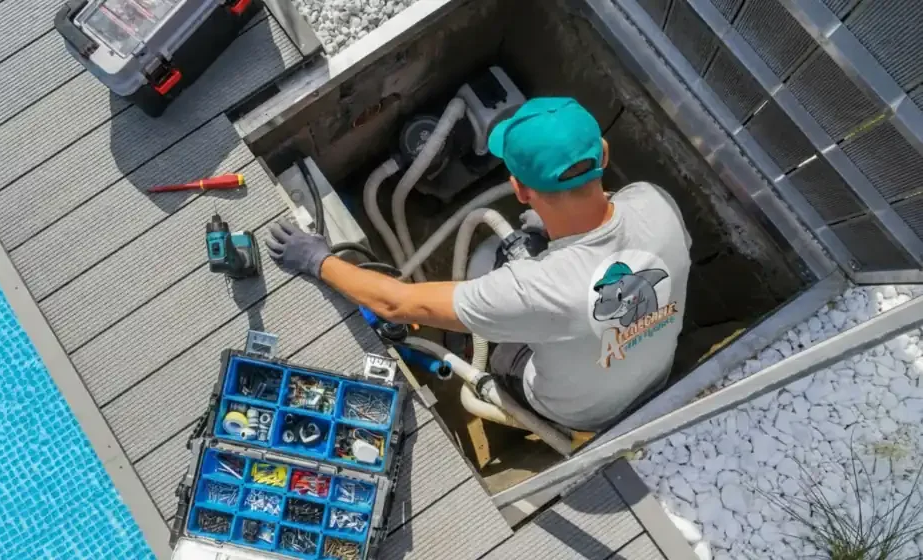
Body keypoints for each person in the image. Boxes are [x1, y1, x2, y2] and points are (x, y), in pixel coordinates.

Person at [265, 97, 691, 431]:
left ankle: (472, 352)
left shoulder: (530, 291)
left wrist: (318, 260)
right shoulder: (657, 202)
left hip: (578, 413)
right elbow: (614, 224)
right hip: (657, 373)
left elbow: (395, 303)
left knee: (495, 265)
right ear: (603, 153)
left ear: (520, 190)